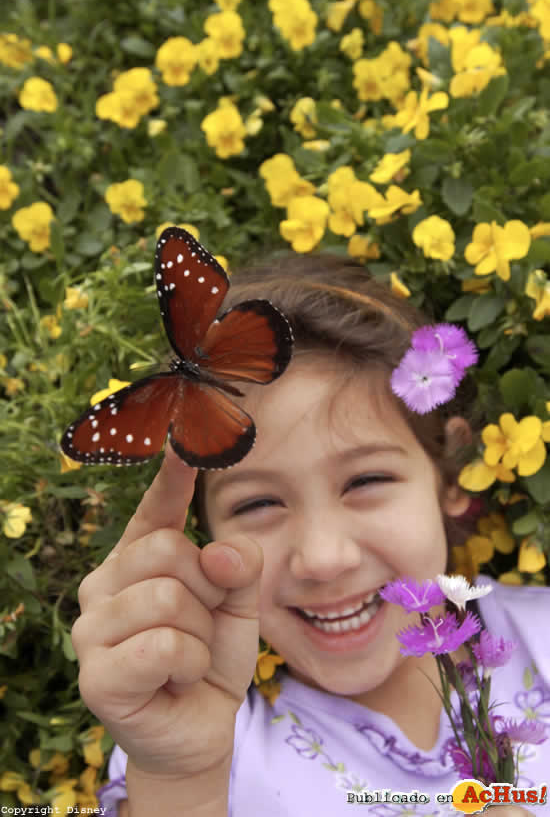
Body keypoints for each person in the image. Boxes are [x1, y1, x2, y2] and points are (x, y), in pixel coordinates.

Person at [71, 254, 549, 817]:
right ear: (208, 537)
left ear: (449, 474)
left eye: (367, 479)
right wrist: (181, 783)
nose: (324, 558)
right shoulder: (194, 746)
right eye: (259, 503)